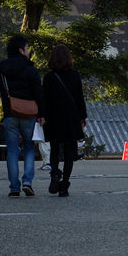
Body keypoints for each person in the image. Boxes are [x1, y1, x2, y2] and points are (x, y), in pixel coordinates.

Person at [0, 34, 45, 197]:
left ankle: (14, 187)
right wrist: (42, 114)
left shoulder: (1, 70)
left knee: (12, 151)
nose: (29, 51)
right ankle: (27, 182)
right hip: (29, 115)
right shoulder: (31, 70)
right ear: (21, 50)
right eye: (27, 48)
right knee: (29, 148)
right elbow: (39, 94)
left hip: (10, 114)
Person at [42, 44, 88, 197]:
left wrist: (42, 116)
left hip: (53, 114)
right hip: (71, 114)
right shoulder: (74, 75)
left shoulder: (49, 77)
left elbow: (44, 99)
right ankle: (64, 186)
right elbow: (79, 98)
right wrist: (83, 116)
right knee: (69, 152)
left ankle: (55, 174)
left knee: (54, 149)